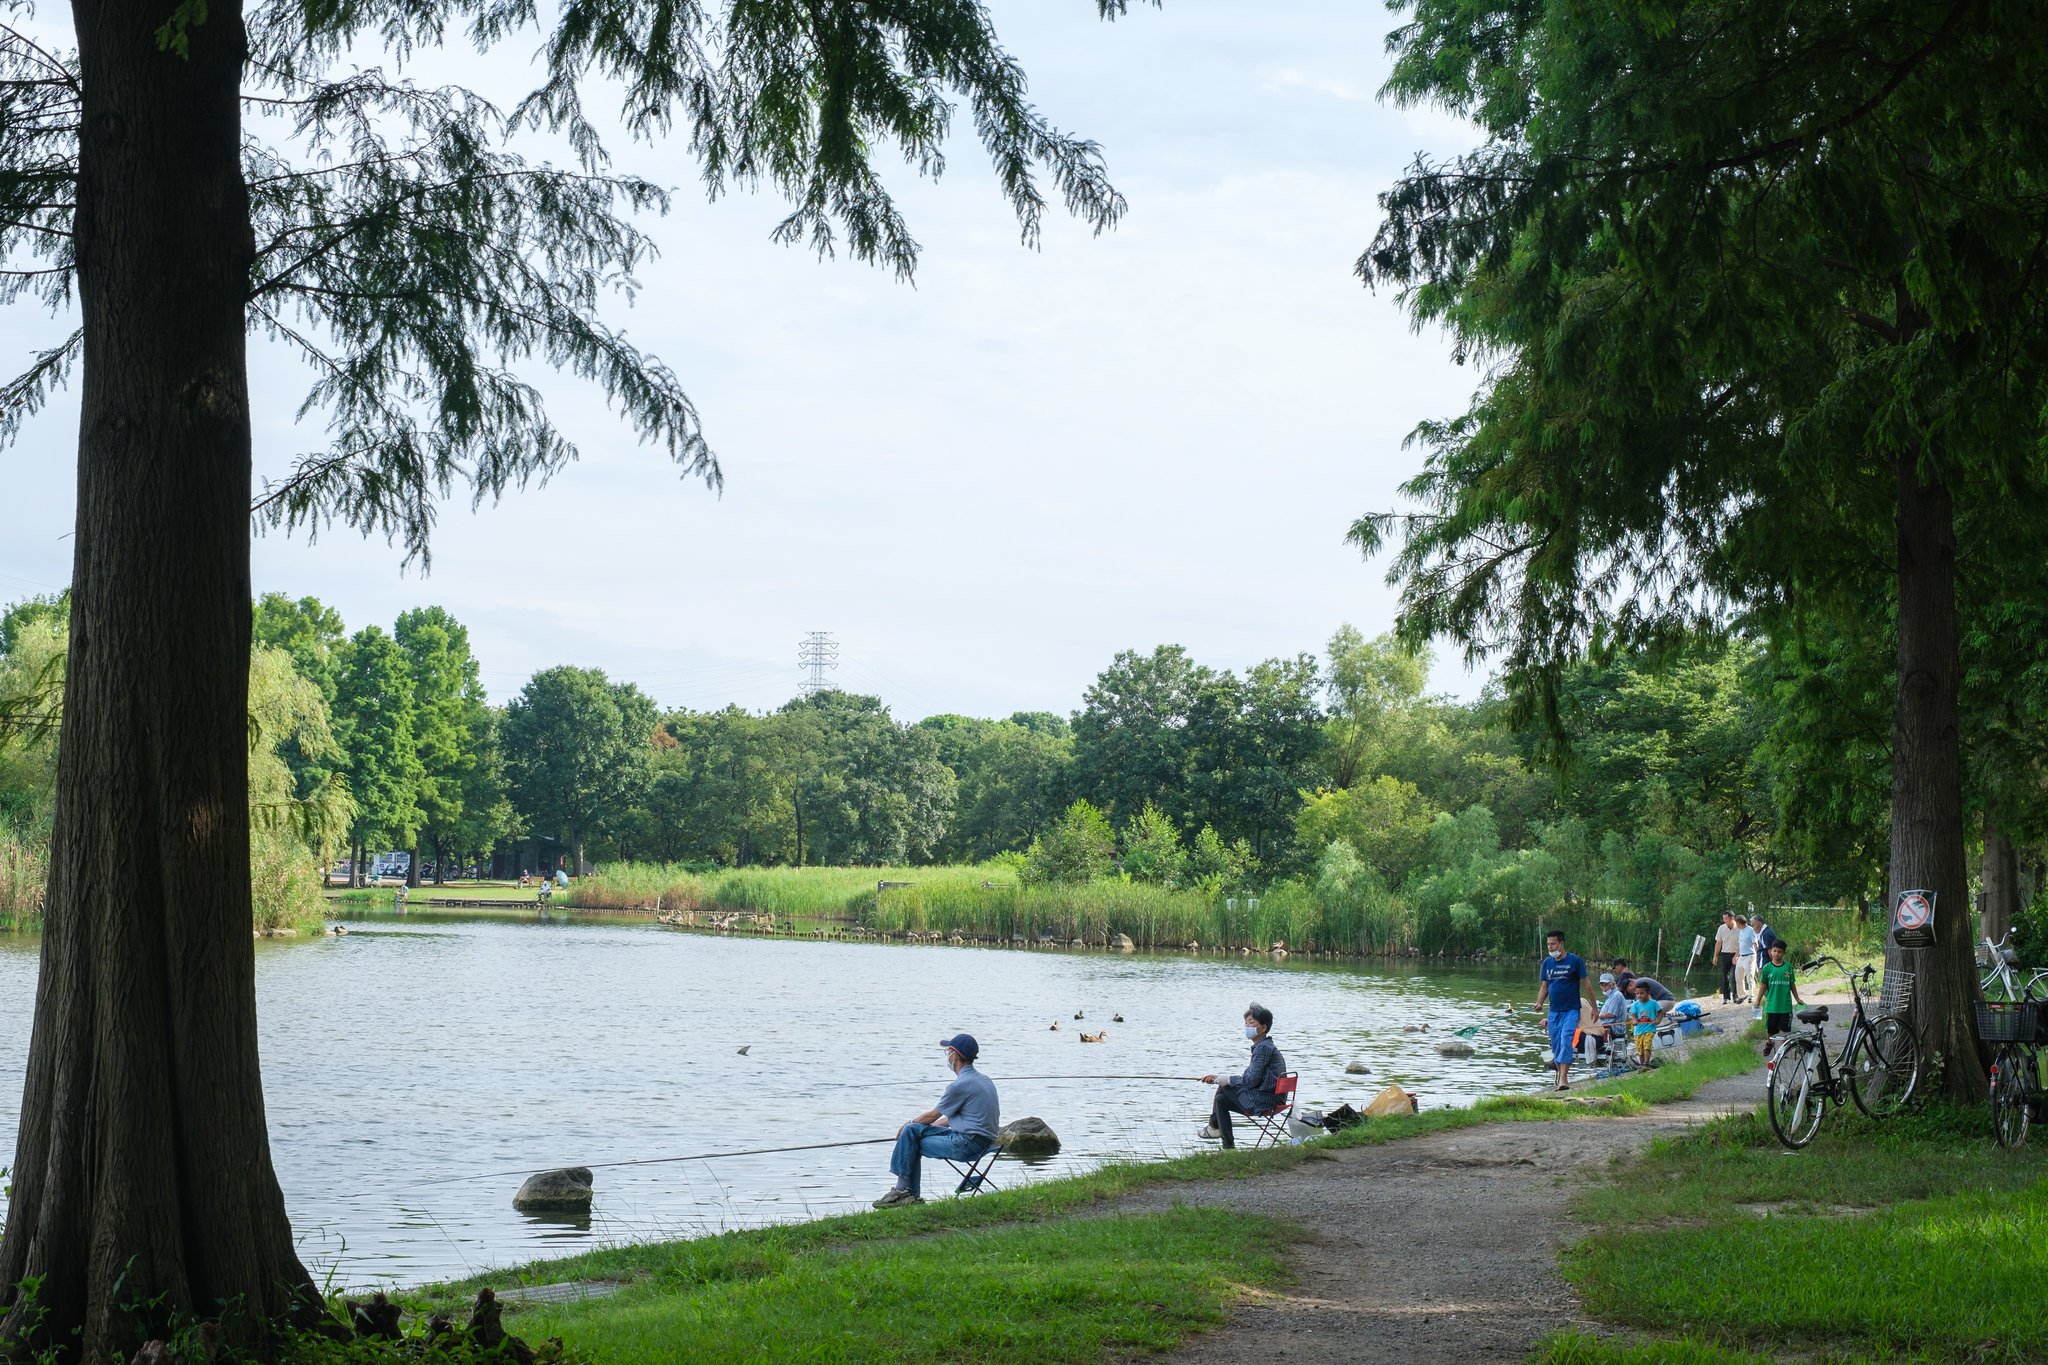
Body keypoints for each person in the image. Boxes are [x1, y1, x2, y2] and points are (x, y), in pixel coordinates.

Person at [875, 1033, 1000, 1208]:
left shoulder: (960, 1085)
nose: (948, 1056)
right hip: (985, 1142)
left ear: (955, 1055)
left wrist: (909, 1123)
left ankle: (904, 1192)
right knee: (913, 1132)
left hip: (967, 1144)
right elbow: (950, 1118)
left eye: (948, 1051)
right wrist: (922, 1127)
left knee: (911, 1138)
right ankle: (906, 1192)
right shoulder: (983, 1080)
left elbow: (933, 1115)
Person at [1197, 1003, 1286, 1149]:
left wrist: (1225, 1079)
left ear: (1263, 1028)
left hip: (1267, 1101)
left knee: (1223, 1088)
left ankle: (1215, 1128)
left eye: (1251, 1023)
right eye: (1246, 1024)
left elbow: (1251, 1081)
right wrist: (1221, 1078)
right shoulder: (1265, 1046)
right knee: (1221, 1099)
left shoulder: (1263, 1048)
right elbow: (1251, 1078)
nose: (1247, 1027)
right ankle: (1226, 1144)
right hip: (1272, 1097)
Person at [1537, 930, 1589, 1090]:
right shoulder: (1547, 963)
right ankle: (1561, 1076)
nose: (1550, 947)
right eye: (1548, 944)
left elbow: (1587, 984)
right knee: (1556, 1045)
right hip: (1554, 1011)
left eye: (1553, 944)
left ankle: (1563, 1079)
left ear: (1561, 944)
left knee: (1566, 1040)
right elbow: (1544, 986)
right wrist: (1539, 1002)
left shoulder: (1574, 961)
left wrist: (1594, 1008)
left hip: (1571, 1009)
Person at [1754, 941, 1804, 1055]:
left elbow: (1792, 984)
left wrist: (1797, 998)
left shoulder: (1788, 967)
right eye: (1774, 951)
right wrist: (1757, 1000)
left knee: (1784, 1030)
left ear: (1784, 953)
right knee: (1771, 1029)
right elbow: (1763, 985)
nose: (1776, 954)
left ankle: (1782, 1050)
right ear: (1771, 951)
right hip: (1772, 1005)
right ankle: (1769, 1043)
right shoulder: (1767, 968)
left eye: (1779, 952)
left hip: (1785, 1006)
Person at [1626, 981, 1661, 1068]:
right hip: (1638, 1031)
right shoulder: (1635, 1005)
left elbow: (1660, 1012)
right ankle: (1642, 1065)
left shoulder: (1653, 1003)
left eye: (1642, 993)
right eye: (1637, 993)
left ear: (1648, 993)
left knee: (1647, 1046)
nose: (1639, 995)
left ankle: (1646, 1063)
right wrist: (1634, 1021)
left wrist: (1658, 1020)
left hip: (1650, 1028)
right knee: (1640, 1049)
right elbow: (1633, 1016)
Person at [1714, 911, 1742, 1003]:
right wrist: (1715, 955)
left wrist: (1737, 955)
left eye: (1726, 918)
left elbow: (1742, 943)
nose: (1724, 920)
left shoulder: (1739, 928)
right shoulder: (1721, 928)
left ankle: (1735, 996)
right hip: (1725, 954)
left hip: (1736, 954)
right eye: (1723, 918)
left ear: (1732, 918)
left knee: (1734, 975)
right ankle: (1726, 997)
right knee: (1725, 976)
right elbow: (1718, 942)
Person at [1736, 916, 1758, 1002]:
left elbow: (1756, 943)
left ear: (1739, 922)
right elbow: (1740, 945)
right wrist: (1736, 956)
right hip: (1741, 956)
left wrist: (1756, 955)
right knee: (1738, 975)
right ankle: (1742, 994)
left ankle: (1751, 995)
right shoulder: (1740, 932)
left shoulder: (1750, 930)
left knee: (1750, 976)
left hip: (1750, 956)